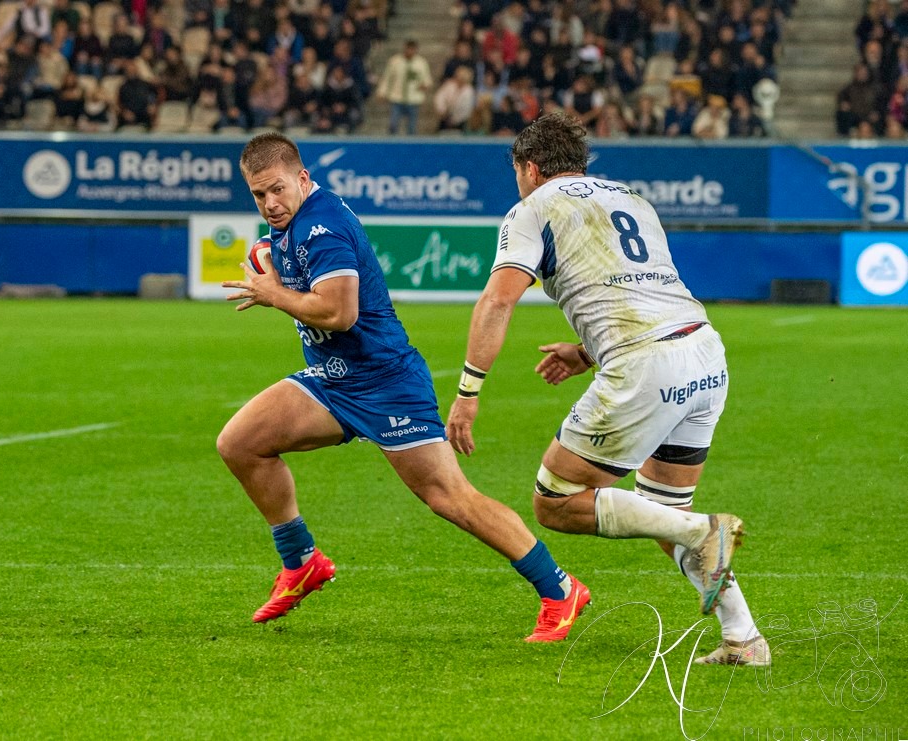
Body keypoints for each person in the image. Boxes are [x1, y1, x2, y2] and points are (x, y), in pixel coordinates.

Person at [218, 133, 590, 643]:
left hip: (385, 382)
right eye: (259, 195)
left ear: (303, 178)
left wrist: (275, 293)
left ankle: (560, 588)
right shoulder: (292, 224)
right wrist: (276, 267)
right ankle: (302, 561)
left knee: (450, 497)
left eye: (277, 190)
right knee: (240, 443)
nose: (269, 204)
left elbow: (339, 312)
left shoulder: (322, 228)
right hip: (334, 379)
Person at [445, 113, 770, 666]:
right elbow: (647, 290)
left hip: (645, 364)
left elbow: (498, 299)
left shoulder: (533, 207)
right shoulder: (633, 198)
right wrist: (585, 351)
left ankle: (703, 530)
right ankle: (744, 637)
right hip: (703, 353)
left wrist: (468, 390)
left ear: (528, 167)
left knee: (555, 501)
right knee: (663, 510)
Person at [376, 39, 433, 135]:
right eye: (408, 49)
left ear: (416, 50)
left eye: (412, 49)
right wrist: (382, 92)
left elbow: (427, 79)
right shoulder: (395, 61)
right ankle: (392, 145)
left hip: (413, 99)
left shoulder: (421, 63)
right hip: (397, 97)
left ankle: (411, 148)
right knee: (393, 124)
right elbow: (387, 78)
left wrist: (425, 85)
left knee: (411, 127)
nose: (410, 51)